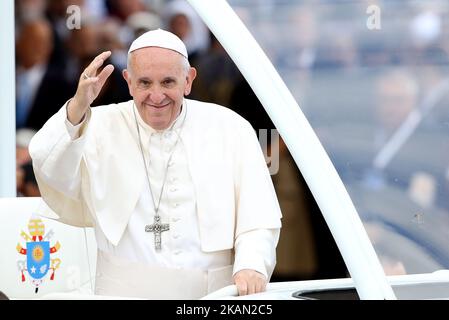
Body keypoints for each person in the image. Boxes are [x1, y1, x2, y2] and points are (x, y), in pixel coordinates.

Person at [29, 29, 282, 299]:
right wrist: (78, 106)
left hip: (212, 297)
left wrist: (252, 265)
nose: (157, 96)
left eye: (168, 82)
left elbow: (257, 214)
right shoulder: (97, 125)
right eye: (145, 83)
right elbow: (47, 165)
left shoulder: (230, 127)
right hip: (123, 295)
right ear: (128, 81)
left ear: (189, 80)